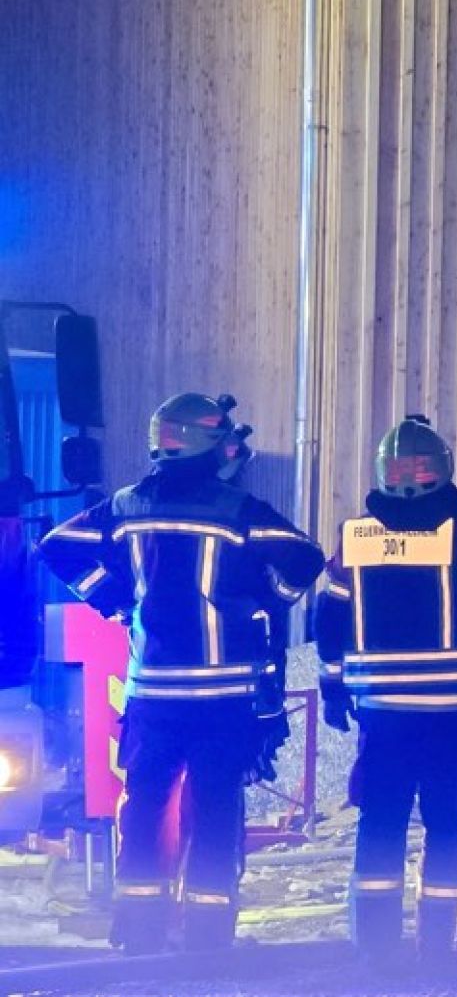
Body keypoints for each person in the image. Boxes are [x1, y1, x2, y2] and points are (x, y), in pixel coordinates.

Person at [38, 393, 324, 953]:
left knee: (145, 808)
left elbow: (57, 547)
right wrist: (263, 601)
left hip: (153, 694)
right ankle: (208, 937)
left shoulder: (125, 507)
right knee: (215, 810)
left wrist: (116, 599)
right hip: (223, 694)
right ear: (209, 447)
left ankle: (140, 933)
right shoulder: (238, 511)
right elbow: (305, 557)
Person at [312, 415, 457, 958]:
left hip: (382, 715)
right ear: (443, 470)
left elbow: (328, 618)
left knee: (380, 825)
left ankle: (375, 950)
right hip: (453, 714)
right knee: (448, 826)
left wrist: (333, 686)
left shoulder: (357, 536)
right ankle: (440, 948)